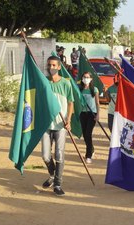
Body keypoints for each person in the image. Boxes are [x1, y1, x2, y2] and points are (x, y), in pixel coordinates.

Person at [41, 56, 74, 196]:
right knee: (46, 156)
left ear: (59, 67)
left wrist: (69, 120)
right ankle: (52, 174)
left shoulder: (66, 83)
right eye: (49, 65)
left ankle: (57, 184)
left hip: (60, 125)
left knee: (59, 155)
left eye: (54, 65)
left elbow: (71, 102)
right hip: (46, 124)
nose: (51, 67)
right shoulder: (44, 82)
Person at [79, 72, 100, 164]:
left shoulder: (94, 89)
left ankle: (88, 155)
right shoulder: (79, 89)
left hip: (92, 114)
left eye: (88, 77)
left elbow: (97, 103)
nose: (86, 79)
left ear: (91, 79)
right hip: (82, 113)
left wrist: (98, 114)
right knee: (84, 134)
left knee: (88, 133)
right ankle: (91, 148)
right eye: (84, 77)